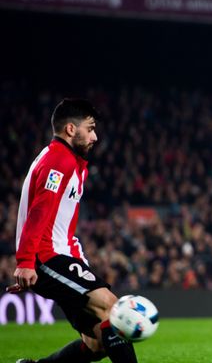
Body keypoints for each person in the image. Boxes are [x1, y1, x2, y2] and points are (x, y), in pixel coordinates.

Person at [9, 98, 138, 363]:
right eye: (89, 128)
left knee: (96, 344)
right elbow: (40, 211)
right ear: (70, 129)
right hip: (48, 256)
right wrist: (26, 262)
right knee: (113, 309)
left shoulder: (64, 159)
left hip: (59, 256)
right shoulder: (59, 161)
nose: (95, 136)